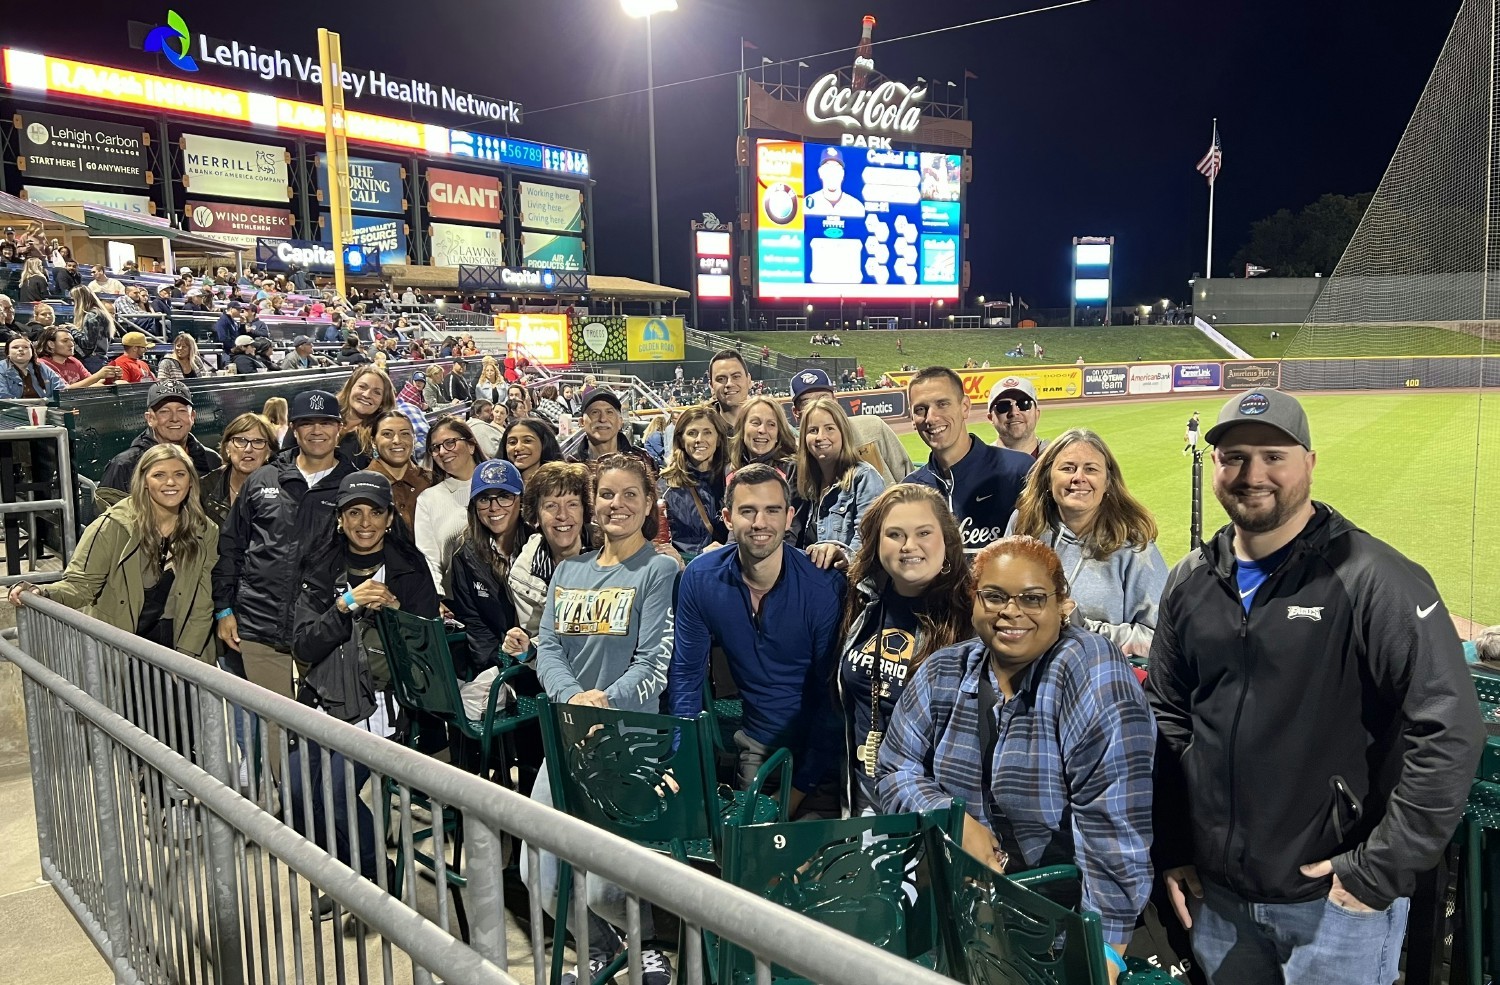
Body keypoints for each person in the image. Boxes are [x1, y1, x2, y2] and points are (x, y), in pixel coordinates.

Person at [1147, 389, 1484, 985]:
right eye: (1235, 458)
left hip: (1334, 907)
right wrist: (1175, 845)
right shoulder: (1191, 580)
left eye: (1274, 456)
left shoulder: (1372, 577)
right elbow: (1168, 715)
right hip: (1218, 899)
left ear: (1309, 462)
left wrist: (1377, 871)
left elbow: (1450, 725)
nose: (1253, 475)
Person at [877, 536, 1155, 979]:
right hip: (961, 915)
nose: (1012, 611)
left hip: (1060, 923)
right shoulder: (943, 671)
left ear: (1063, 605)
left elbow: (1112, 826)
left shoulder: (1089, 671)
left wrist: (1103, 955)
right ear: (974, 601)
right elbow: (894, 768)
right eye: (994, 596)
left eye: (1032, 598)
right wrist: (952, 817)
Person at [526, 454, 679, 985]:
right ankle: (597, 951)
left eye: (630, 494)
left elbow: (654, 660)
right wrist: (575, 703)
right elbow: (547, 648)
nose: (617, 505)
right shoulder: (568, 570)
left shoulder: (659, 569)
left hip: (627, 742)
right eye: (608, 495)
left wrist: (604, 705)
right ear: (594, 503)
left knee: (605, 889)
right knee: (540, 879)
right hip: (569, 735)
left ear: (648, 503)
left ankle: (644, 949)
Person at [290, 470, 438, 889]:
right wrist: (343, 608)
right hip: (323, 697)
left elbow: (425, 652)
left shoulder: (409, 568)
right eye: (354, 512)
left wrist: (395, 615)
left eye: (375, 512)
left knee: (337, 795)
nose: (365, 522)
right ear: (339, 518)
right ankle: (340, 874)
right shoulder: (320, 567)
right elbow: (303, 646)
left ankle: (379, 881)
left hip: (382, 705)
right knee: (299, 794)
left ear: (390, 517)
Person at [668, 463, 846, 809]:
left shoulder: (824, 585)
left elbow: (832, 699)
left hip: (823, 757)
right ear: (728, 518)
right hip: (757, 747)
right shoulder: (701, 579)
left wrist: (797, 791)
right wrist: (681, 757)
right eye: (747, 511)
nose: (760, 523)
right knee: (741, 854)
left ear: (789, 516)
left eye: (772, 510)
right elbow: (687, 678)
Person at [213, 390, 360, 773]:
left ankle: (329, 813)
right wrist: (225, 608)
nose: (316, 431)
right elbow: (231, 547)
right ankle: (289, 818)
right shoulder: (263, 478)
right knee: (276, 730)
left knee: (327, 732)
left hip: (324, 629)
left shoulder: (355, 483)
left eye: (325, 422)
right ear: (293, 427)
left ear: (339, 428)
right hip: (259, 624)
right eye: (307, 423)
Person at [9, 443, 218, 662]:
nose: (170, 482)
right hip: (119, 648)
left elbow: (202, 602)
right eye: (159, 475)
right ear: (144, 481)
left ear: (191, 481)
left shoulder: (205, 531)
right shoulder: (112, 526)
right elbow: (80, 585)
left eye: (179, 474)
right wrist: (43, 593)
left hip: (179, 643)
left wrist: (187, 659)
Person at [838, 485, 971, 813]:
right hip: (862, 802)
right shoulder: (862, 599)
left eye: (923, 532)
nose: (909, 546)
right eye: (894, 534)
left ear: (947, 539)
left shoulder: (973, 612)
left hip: (932, 810)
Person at [1005, 429, 1167, 656]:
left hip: (1096, 677)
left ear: (1108, 482)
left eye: (1090, 469)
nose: (1078, 477)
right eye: (1068, 468)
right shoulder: (1023, 525)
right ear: (1048, 479)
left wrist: (1082, 627)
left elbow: (1159, 638)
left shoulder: (1133, 544)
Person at [904, 367, 1033, 553]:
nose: (931, 418)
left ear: (964, 407)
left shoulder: (1019, 470)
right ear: (912, 418)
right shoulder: (910, 489)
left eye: (942, 404)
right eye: (921, 409)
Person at [448, 460, 529, 709]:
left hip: (543, 660)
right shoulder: (465, 554)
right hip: (500, 663)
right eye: (484, 499)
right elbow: (475, 623)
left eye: (504, 496)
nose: (494, 507)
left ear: (520, 500)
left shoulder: (540, 544)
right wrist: (500, 665)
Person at [98, 381, 223, 509]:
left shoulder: (211, 460)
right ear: (150, 419)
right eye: (164, 411)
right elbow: (104, 522)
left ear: (192, 417)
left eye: (181, 411)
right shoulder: (124, 465)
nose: (174, 418)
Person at [792, 397, 885, 568]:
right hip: (816, 582)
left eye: (829, 429)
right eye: (813, 430)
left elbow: (868, 539)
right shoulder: (807, 483)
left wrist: (844, 557)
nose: (821, 437)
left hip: (850, 583)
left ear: (843, 433)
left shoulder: (864, 477)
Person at [509, 461, 592, 637]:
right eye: (551, 506)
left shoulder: (612, 548)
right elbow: (540, 645)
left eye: (572, 504)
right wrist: (527, 650)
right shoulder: (523, 576)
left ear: (584, 510)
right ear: (536, 515)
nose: (562, 515)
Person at [789, 368, 911, 486]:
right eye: (806, 403)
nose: (818, 406)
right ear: (795, 412)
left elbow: (908, 477)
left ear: (835, 401)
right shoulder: (796, 455)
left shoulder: (872, 427)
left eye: (824, 398)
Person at [414, 417, 482, 596]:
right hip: (459, 602)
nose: (443, 452)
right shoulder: (429, 499)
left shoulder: (500, 483)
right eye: (436, 448)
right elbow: (428, 556)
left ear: (471, 445)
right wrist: (437, 596)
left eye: (450, 442)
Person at [659, 405, 729, 560]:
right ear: (681, 440)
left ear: (718, 439)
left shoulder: (733, 480)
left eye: (707, 432)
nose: (699, 440)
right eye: (692, 433)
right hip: (686, 569)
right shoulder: (665, 487)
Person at [200, 413, 278, 526]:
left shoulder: (283, 487)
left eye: (258, 442)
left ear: (268, 451)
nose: (248, 449)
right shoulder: (204, 488)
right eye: (241, 441)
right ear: (227, 448)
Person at [368, 410, 432, 533]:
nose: (397, 440)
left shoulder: (431, 480)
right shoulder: (359, 484)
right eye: (387, 434)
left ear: (414, 439)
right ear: (373, 442)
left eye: (405, 434)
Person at [561, 390, 650, 466]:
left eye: (609, 412)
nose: (603, 419)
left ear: (620, 422)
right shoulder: (570, 468)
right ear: (582, 422)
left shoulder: (642, 461)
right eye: (595, 412)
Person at [986, 377, 1048, 460]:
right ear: (991, 418)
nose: (1014, 412)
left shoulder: (1059, 458)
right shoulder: (979, 464)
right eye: (1003, 406)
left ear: (1037, 414)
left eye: (1024, 404)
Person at [36, 328, 119, 388]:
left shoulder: (74, 361)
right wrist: (98, 376)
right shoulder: (43, 364)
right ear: (51, 344)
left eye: (72, 340)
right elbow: (64, 390)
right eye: (65, 341)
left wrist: (109, 376)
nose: (71, 344)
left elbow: (92, 381)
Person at [729, 396, 797, 471]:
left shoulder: (793, 471)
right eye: (755, 423)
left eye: (771, 424)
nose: (762, 430)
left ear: (778, 434)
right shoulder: (726, 473)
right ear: (742, 429)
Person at [803, 146, 865, 218]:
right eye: (828, 168)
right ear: (820, 172)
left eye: (836, 168)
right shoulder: (807, 203)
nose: (832, 173)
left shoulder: (856, 207)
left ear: (842, 174)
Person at [0, 335, 66, 399]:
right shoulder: (1, 368)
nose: (20, 349)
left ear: (32, 352)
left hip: (45, 408)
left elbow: (60, 389)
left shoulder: (42, 367)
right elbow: (3, 398)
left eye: (25, 347)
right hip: (11, 409)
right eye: (15, 347)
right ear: (8, 353)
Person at [503, 418, 565, 486]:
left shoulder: (564, 483)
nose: (518, 447)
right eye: (512, 442)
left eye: (527, 441)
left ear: (544, 443)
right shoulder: (496, 485)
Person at [70, 287, 114, 372]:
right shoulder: (100, 313)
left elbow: (88, 344)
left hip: (91, 361)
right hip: (99, 358)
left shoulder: (92, 316)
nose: (73, 304)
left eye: (73, 300)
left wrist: (72, 329)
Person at [708, 349, 752, 432]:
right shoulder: (700, 428)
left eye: (736, 376)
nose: (729, 384)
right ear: (711, 387)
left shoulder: (770, 425)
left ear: (749, 381)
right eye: (721, 379)